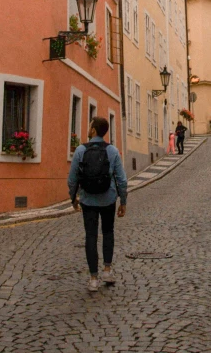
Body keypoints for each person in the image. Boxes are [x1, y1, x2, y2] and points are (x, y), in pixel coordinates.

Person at [68, 116, 128, 292]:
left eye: (89, 125)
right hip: (108, 199)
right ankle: (107, 271)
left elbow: (72, 179)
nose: (88, 128)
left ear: (93, 130)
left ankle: (93, 278)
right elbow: (122, 180)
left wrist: (74, 198)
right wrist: (123, 201)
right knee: (108, 233)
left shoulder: (80, 150)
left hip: (88, 200)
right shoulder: (113, 151)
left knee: (91, 236)